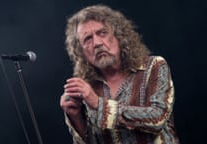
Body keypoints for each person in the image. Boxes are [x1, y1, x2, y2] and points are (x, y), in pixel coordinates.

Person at [60, 4, 179, 144]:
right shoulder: (86, 88)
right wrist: (76, 118)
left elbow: (158, 117)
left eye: (102, 33)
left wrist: (99, 105)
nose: (97, 43)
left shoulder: (154, 66)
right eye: (87, 39)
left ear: (119, 36)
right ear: (81, 52)